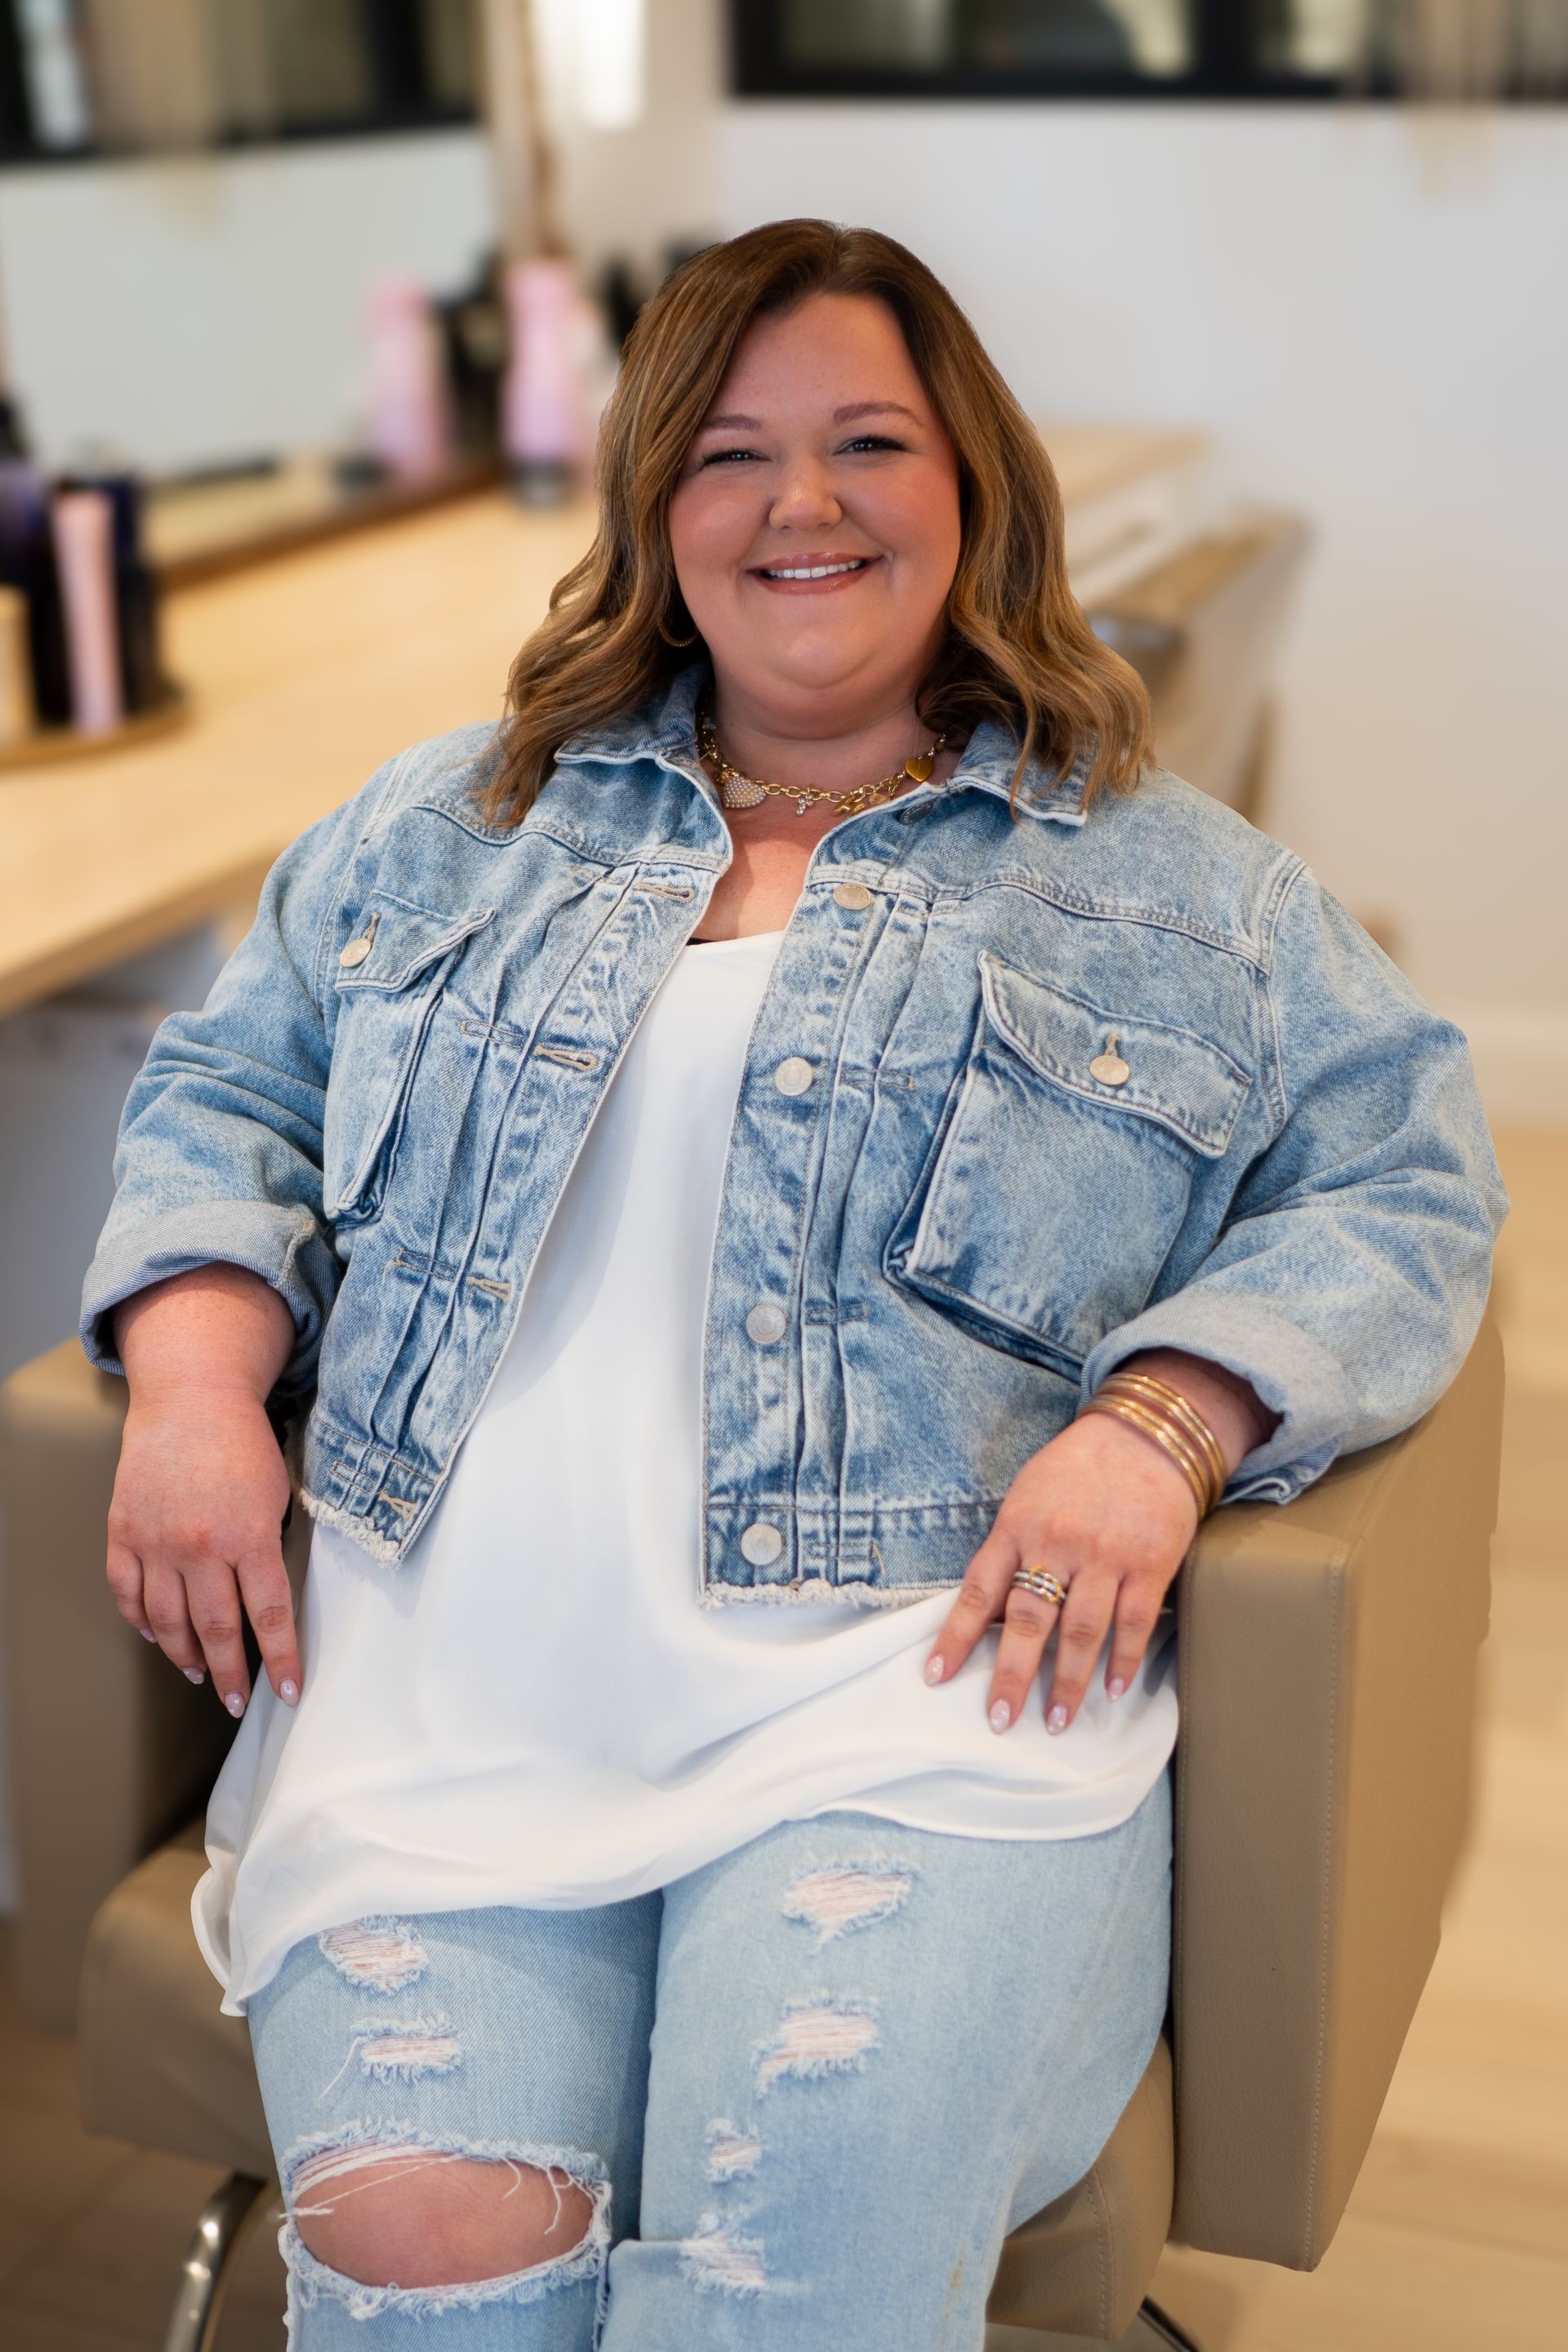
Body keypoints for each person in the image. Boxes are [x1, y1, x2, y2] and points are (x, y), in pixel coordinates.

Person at [82, 220, 1503, 2351]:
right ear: (659, 504)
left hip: (918, 1707)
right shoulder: (458, 821)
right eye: (735, 453)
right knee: (424, 2285)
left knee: (788, 2282)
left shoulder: (1163, 874)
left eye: (869, 441)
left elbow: (1408, 1179)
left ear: (976, 488)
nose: (806, 504)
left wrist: (1164, 1422)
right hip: (451, 1695)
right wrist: (197, 1389)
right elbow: (225, 1094)